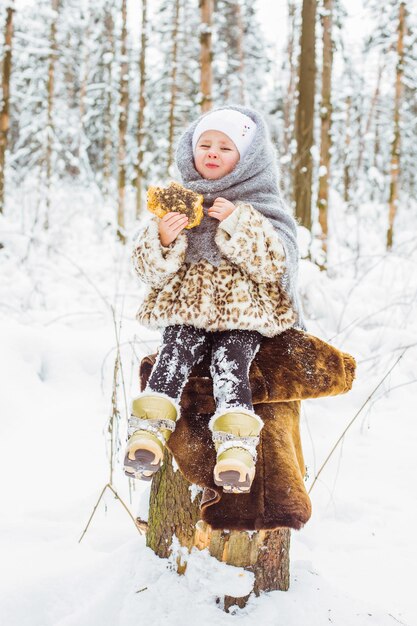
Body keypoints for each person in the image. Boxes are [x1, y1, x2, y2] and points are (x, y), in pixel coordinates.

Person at [124, 105, 305, 494]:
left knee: (231, 362)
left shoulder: (260, 202)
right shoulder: (178, 201)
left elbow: (278, 262)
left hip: (244, 315)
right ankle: (148, 432)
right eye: (204, 144)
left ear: (246, 160)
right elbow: (147, 271)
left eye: (225, 148)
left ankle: (237, 446)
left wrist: (239, 223)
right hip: (187, 309)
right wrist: (164, 239)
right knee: (174, 350)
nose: (212, 152)